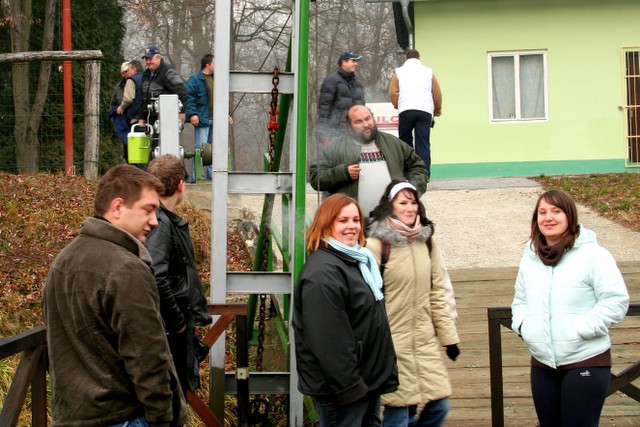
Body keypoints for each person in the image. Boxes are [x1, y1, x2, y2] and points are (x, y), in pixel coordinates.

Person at [43, 164, 188, 427]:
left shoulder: (63, 260)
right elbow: (148, 357)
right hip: (122, 416)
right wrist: (162, 419)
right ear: (118, 207)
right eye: (148, 210)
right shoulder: (126, 268)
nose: (155, 221)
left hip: (74, 414)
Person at [511, 189, 629, 427]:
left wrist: (582, 328)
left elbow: (616, 300)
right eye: (542, 212)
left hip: (585, 360)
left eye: (556, 211)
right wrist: (524, 326)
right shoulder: (530, 259)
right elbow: (520, 301)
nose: (548, 217)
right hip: (542, 363)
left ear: (570, 217)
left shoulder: (594, 255)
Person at [292, 193, 398, 426]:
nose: (352, 226)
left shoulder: (357, 260)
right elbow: (330, 343)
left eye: (356, 220)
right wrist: (352, 388)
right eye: (343, 221)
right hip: (344, 390)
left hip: (365, 381)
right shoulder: (322, 276)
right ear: (326, 224)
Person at [366, 180, 460, 427]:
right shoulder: (377, 244)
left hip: (424, 341)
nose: (410, 208)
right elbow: (364, 297)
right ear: (390, 206)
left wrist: (449, 338)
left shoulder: (426, 242)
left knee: (440, 405)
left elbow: (437, 291)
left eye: (413, 202)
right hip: (391, 345)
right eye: (403, 203)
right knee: (399, 414)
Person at [145, 154, 213, 399]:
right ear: (181, 186)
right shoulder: (161, 224)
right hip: (169, 332)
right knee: (173, 399)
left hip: (168, 329)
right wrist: (178, 322)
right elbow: (155, 274)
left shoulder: (162, 220)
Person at [309, 104, 429, 218]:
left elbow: (418, 166)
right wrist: (343, 173)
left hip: (390, 222)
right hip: (354, 223)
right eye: (358, 122)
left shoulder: (393, 143)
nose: (366, 124)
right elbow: (316, 177)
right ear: (349, 127)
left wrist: (412, 192)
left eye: (368, 119)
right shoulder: (335, 147)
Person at [389, 49, 443, 178]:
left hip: (406, 110)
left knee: (405, 142)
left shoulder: (398, 72)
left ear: (406, 58)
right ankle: (424, 175)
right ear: (419, 58)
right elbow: (436, 92)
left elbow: (393, 93)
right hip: (424, 111)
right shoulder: (428, 71)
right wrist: (437, 109)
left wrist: (399, 104)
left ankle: (408, 173)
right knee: (423, 143)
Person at [318, 50, 365, 146]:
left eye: (356, 61)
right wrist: (323, 134)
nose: (356, 64)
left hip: (355, 133)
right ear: (344, 62)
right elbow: (324, 108)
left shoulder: (357, 84)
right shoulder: (331, 80)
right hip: (336, 133)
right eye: (353, 61)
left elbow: (362, 109)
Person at [139, 45, 187, 128]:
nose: (148, 62)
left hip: (166, 117)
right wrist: (142, 117)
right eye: (146, 59)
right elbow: (143, 97)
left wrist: (181, 112)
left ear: (158, 58)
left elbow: (181, 91)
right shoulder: (146, 74)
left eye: (150, 59)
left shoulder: (168, 72)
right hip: (150, 119)